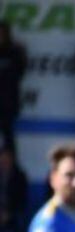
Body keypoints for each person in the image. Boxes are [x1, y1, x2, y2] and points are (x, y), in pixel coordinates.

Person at [0, 21, 28, 156]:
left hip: (8, 101)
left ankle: (10, 167)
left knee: (8, 135)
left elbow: (19, 72)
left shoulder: (15, 52)